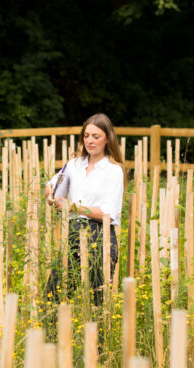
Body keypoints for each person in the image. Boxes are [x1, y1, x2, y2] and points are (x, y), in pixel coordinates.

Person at [44, 113, 125, 306]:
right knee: (52, 296)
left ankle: (100, 336)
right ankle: (51, 335)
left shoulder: (113, 170)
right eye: (86, 135)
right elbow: (53, 187)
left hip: (101, 235)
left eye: (95, 136)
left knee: (98, 303)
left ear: (107, 139)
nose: (89, 141)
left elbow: (108, 214)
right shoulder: (74, 165)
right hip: (73, 232)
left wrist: (73, 207)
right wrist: (51, 197)